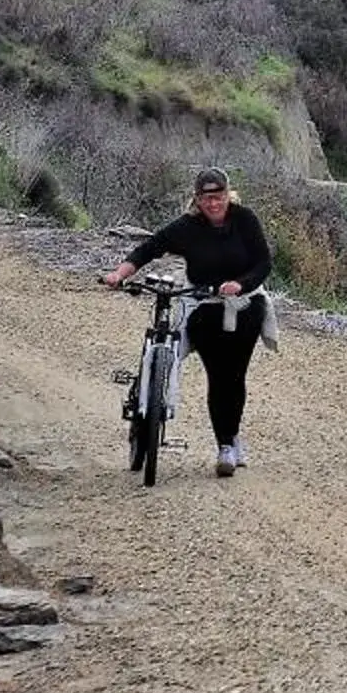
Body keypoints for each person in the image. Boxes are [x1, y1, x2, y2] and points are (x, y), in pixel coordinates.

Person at [101, 166, 274, 478]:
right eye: (206, 198)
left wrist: (240, 283)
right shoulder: (188, 227)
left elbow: (264, 262)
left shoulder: (244, 219)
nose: (213, 203)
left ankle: (229, 441)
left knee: (233, 377)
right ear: (197, 199)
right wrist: (119, 274)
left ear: (228, 194)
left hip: (245, 305)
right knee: (212, 371)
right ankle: (214, 439)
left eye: (218, 196)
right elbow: (149, 249)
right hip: (202, 306)